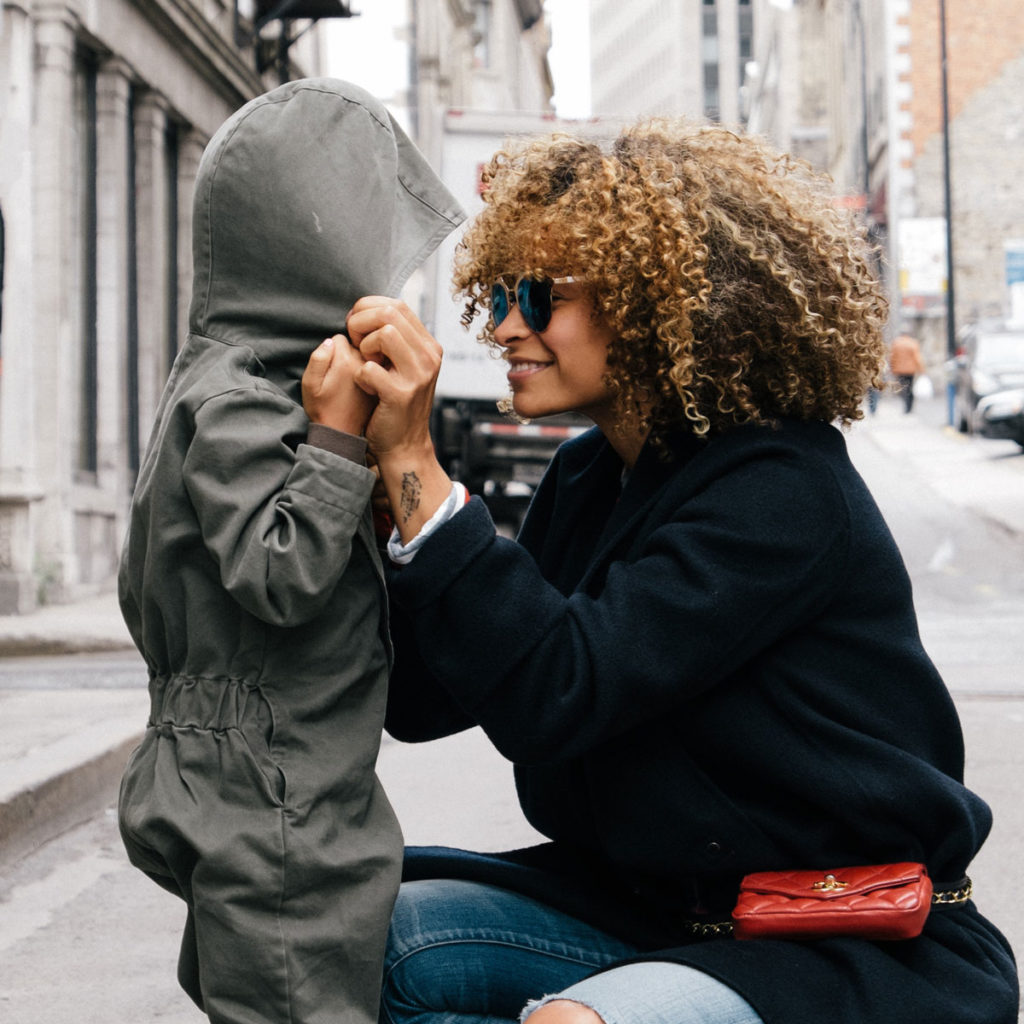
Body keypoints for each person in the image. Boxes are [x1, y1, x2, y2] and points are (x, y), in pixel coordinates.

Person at [304, 119, 1018, 1024]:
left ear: (655, 303)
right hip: (655, 913)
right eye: (499, 293)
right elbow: (425, 700)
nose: (505, 326)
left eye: (539, 295)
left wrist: (419, 466)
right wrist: (377, 497)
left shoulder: (782, 489)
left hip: (843, 938)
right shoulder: (590, 475)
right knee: (338, 942)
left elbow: (559, 691)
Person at [116, 79, 463, 1024]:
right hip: (272, 788)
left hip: (260, 775)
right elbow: (281, 573)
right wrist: (339, 441)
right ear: (318, 244)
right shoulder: (244, 395)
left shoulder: (241, 376)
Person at [889, 330, 927, 413]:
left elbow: (892, 357)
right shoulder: (912, 343)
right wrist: (922, 369)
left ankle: (905, 404)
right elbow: (917, 357)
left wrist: (892, 369)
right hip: (910, 370)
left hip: (899, 370)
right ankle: (909, 406)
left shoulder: (896, 343)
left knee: (903, 388)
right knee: (910, 387)